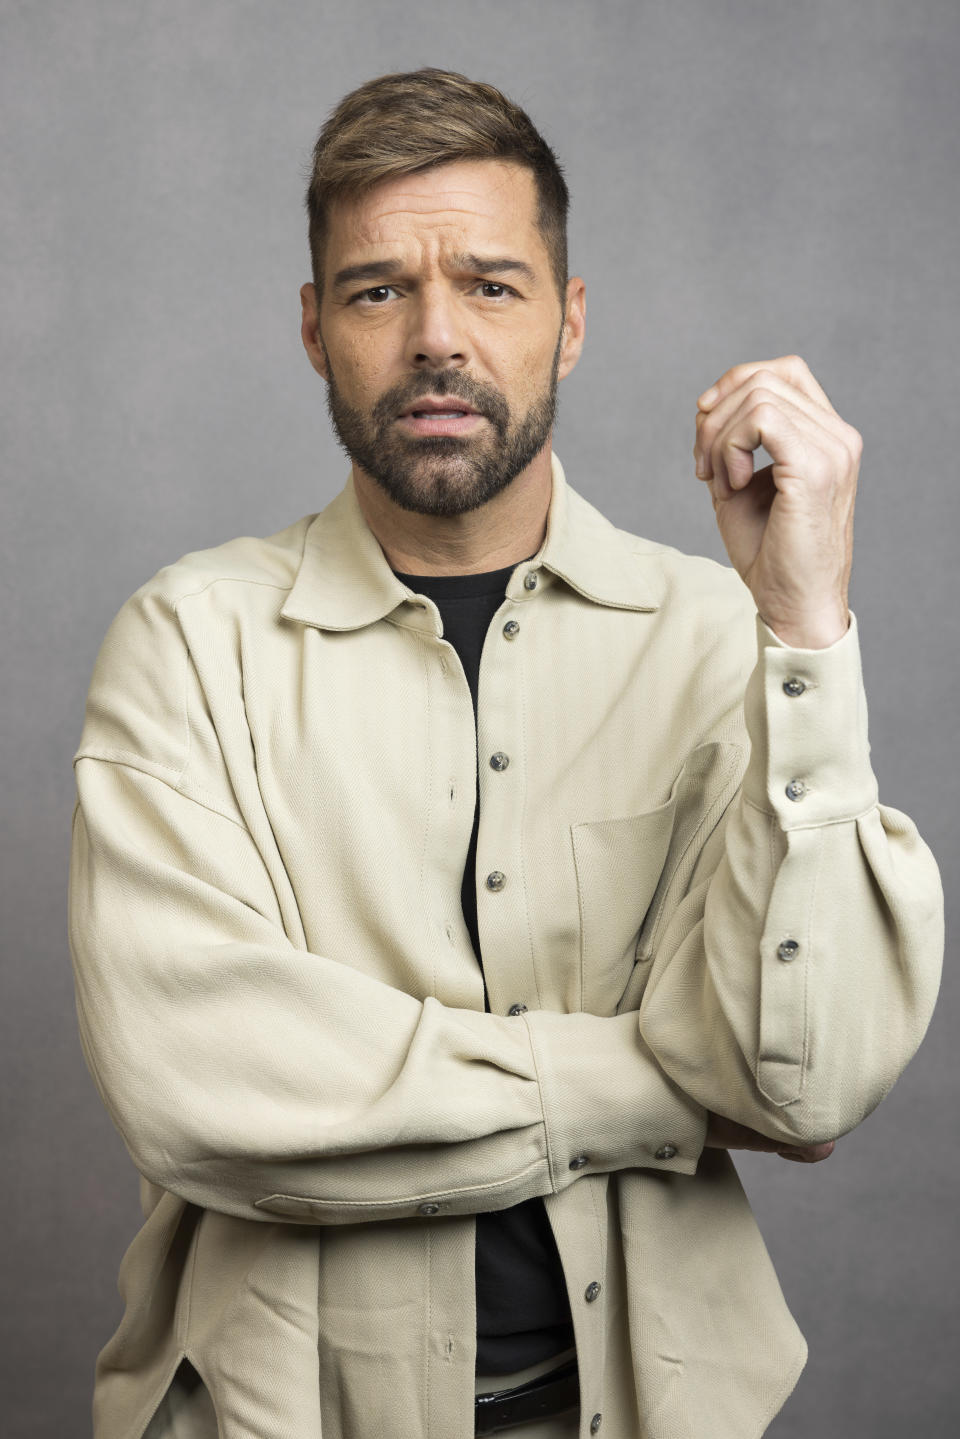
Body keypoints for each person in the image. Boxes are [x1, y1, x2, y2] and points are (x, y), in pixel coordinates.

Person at [68, 67, 943, 1439]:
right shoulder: (188, 646)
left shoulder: (725, 639)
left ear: (569, 322)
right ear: (313, 329)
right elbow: (204, 1093)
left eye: (489, 283)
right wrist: (664, 1089)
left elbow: (811, 1076)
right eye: (375, 291)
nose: (434, 339)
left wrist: (807, 624)